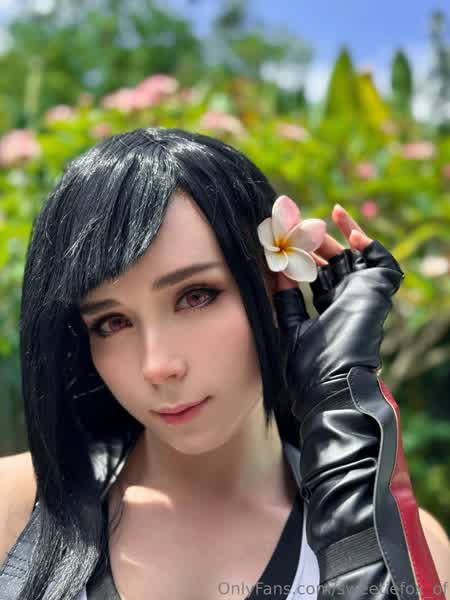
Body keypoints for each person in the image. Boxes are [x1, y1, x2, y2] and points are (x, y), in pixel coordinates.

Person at [0, 127, 448, 600]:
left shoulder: (410, 544)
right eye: (112, 323)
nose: (158, 365)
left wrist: (341, 414)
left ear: (275, 284)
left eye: (196, 296)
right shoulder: (15, 509)